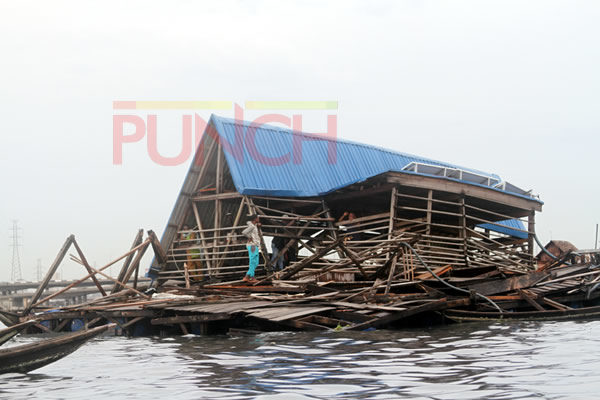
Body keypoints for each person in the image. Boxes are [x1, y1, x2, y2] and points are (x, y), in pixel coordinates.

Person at [242, 215, 261, 282]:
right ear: (255, 219)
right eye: (258, 218)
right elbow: (244, 232)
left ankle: (248, 276)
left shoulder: (254, 225)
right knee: (253, 261)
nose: (259, 219)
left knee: (256, 262)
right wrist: (249, 237)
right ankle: (250, 277)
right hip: (252, 245)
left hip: (254, 245)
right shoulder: (252, 226)